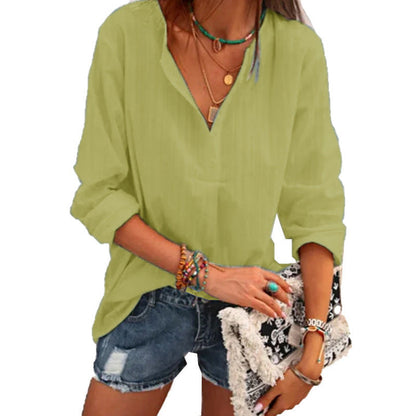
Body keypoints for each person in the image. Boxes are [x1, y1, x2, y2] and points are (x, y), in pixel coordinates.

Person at [70, 0, 347, 415]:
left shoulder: (297, 51)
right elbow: (100, 192)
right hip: (148, 294)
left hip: (251, 311)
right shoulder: (127, 33)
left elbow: (316, 209)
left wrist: (313, 350)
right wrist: (209, 276)